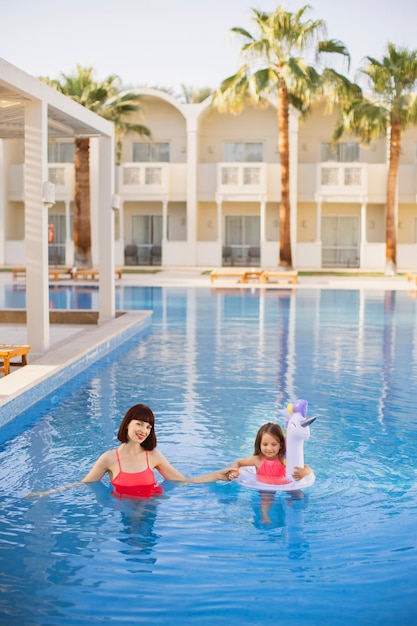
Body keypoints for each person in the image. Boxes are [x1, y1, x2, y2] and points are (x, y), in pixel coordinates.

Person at [28, 403, 234, 499]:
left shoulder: (153, 456)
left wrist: (218, 475)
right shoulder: (109, 458)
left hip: (151, 509)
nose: (144, 430)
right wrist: (46, 493)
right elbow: (84, 484)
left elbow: (184, 481)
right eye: (140, 424)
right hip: (124, 511)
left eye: (148, 427)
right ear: (127, 423)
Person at [227, 422, 311, 523]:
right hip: (265, 486)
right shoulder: (257, 460)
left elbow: (305, 467)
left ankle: (291, 508)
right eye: (265, 444)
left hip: (286, 484)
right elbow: (238, 462)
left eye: (274, 444)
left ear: (280, 445)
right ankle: (265, 516)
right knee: (266, 497)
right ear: (259, 444)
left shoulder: (284, 458)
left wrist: (304, 472)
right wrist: (235, 470)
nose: (269, 448)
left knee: (299, 496)